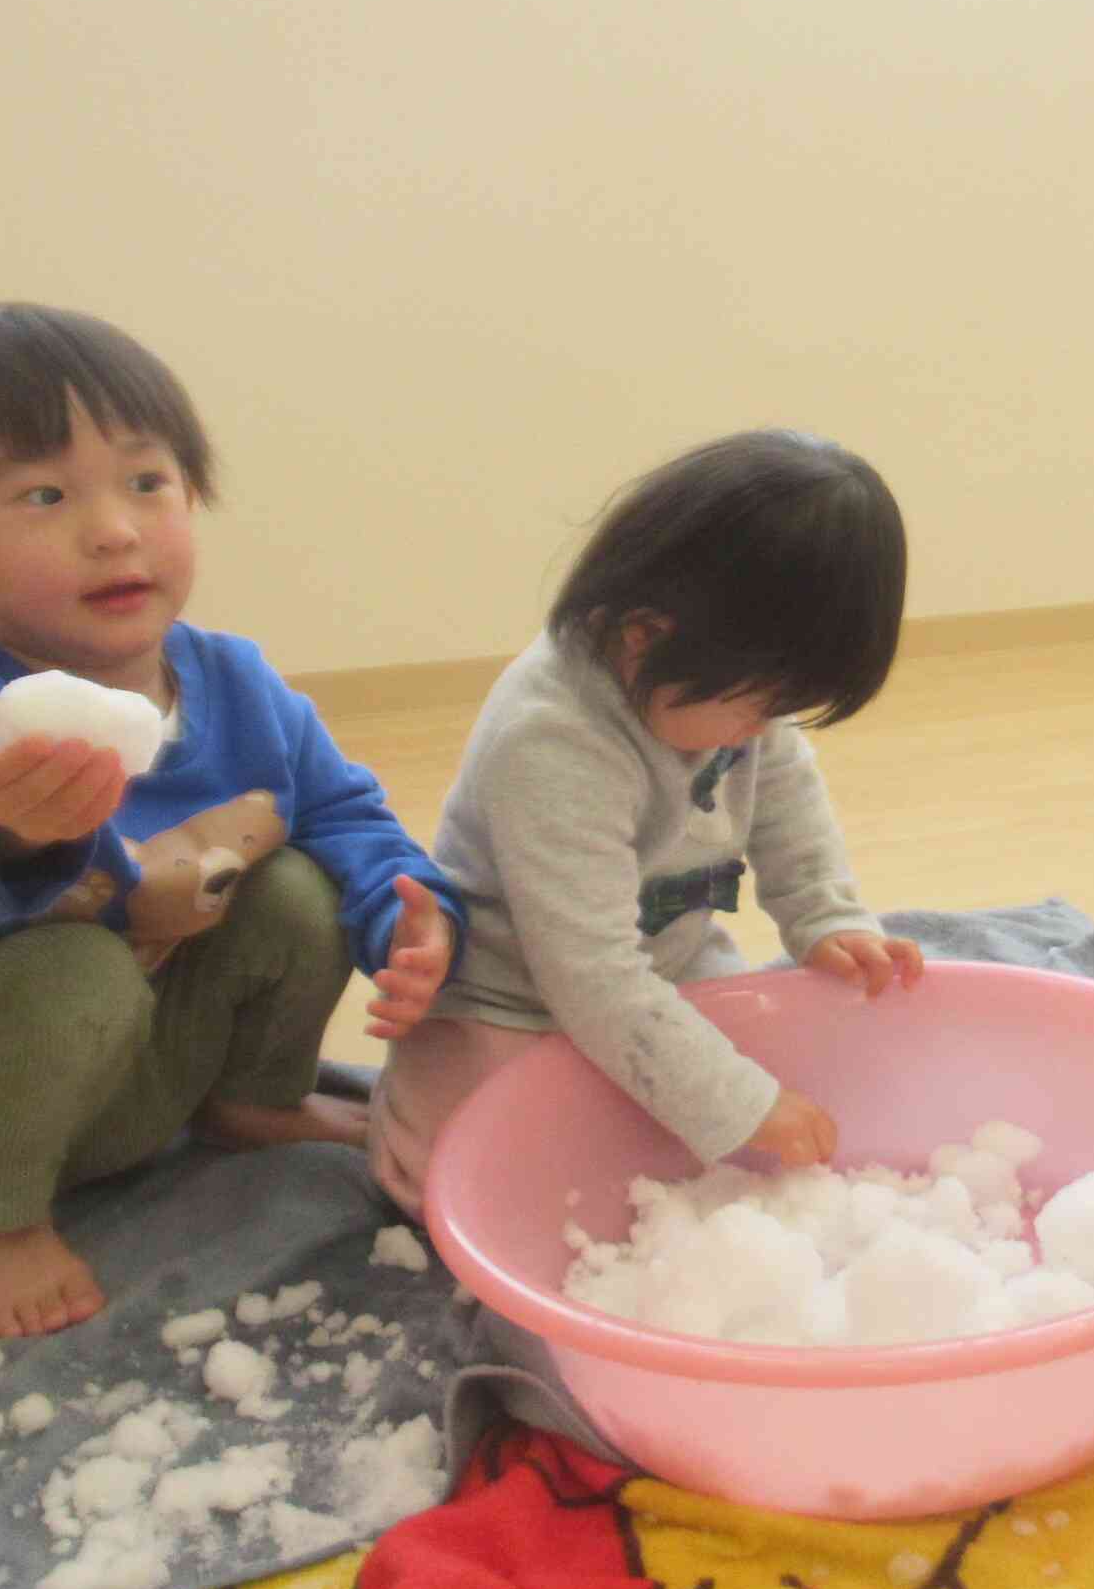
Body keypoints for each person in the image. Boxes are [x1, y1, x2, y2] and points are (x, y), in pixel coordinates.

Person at [0, 303, 462, 1340]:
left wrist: (409, 920)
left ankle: (250, 1103)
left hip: (159, 1063)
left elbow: (347, 817)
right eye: (44, 493)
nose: (113, 528)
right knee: (76, 968)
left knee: (296, 884)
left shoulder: (238, 684)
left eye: (147, 482)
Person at [366, 428, 922, 1218]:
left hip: (665, 965)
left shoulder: (728, 699)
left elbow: (789, 799)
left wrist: (824, 913)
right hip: (510, 1001)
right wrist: (739, 1104)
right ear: (646, 635)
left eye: (782, 710)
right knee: (487, 1179)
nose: (763, 733)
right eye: (756, 706)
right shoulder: (552, 740)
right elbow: (592, 978)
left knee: (773, 1084)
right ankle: (402, 1113)